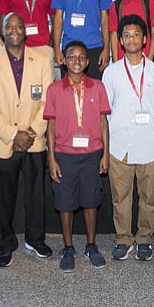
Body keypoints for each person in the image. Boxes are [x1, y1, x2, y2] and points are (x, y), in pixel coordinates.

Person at [0, 13, 55, 268]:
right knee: (3, 198)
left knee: (35, 195)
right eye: (8, 26)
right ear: (1, 31)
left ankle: (35, 240)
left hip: (34, 142)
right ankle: (6, 244)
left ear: (25, 30)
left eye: (18, 26)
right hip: (3, 142)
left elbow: (47, 102)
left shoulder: (42, 61)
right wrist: (13, 134)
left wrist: (30, 132)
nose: (14, 30)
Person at [102, 14, 154, 261]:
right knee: (120, 199)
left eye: (137, 34)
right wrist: (105, 150)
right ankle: (123, 239)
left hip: (149, 146)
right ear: (120, 40)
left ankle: (144, 238)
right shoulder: (110, 73)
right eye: (127, 35)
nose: (132, 39)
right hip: (119, 147)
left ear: (145, 39)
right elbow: (105, 115)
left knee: (148, 199)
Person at [44, 41, 111, 272]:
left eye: (81, 57)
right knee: (65, 203)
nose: (77, 61)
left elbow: (104, 122)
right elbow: (51, 127)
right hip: (64, 155)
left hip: (92, 154)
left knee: (91, 200)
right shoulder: (54, 89)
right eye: (72, 57)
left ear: (87, 62)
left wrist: (105, 154)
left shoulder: (98, 87)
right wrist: (51, 159)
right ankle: (69, 247)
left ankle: (91, 245)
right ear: (64, 60)